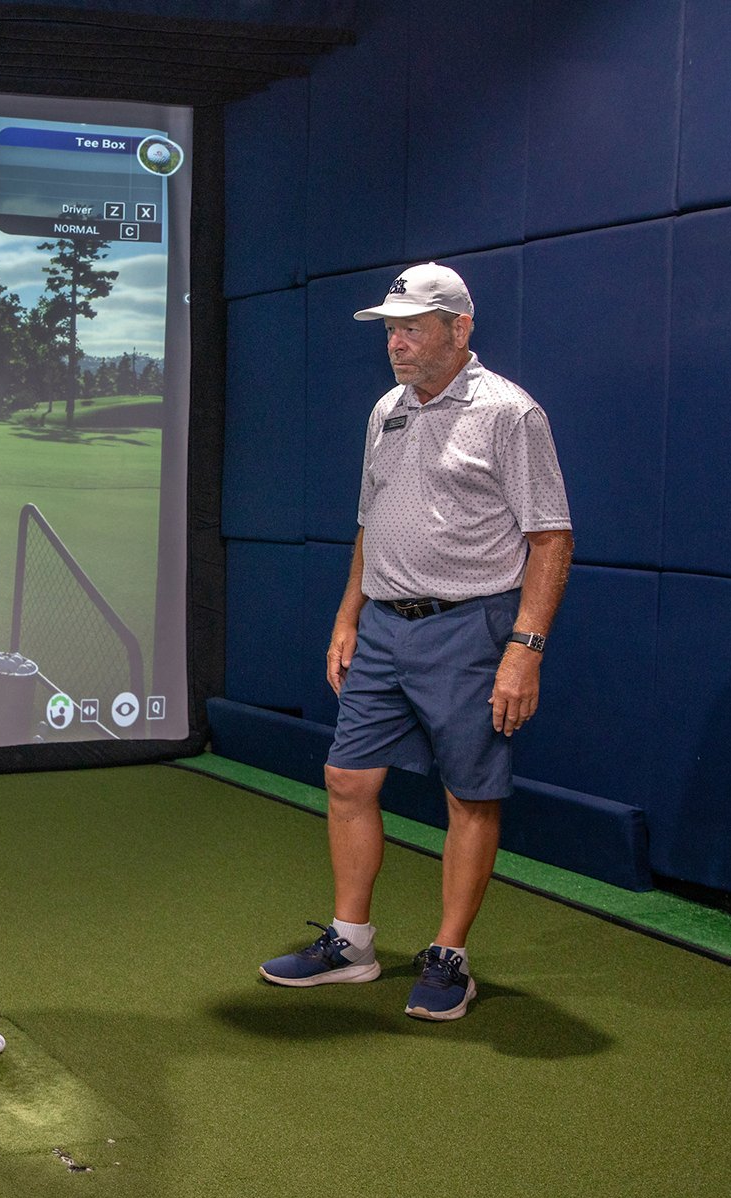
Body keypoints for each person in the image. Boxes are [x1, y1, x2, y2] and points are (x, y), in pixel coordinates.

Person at [258, 262, 573, 1021]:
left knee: (470, 794)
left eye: (411, 329)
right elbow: (372, 522)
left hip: (470, 628)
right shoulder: (387, 410)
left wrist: (524, 649)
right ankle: (351, 944)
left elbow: (551, 538)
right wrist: (348, 617)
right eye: (390, 330)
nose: (395, 344)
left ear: (459, 329)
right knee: (347, 779)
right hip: (382, 628)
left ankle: (449, 954)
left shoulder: (510, 414)